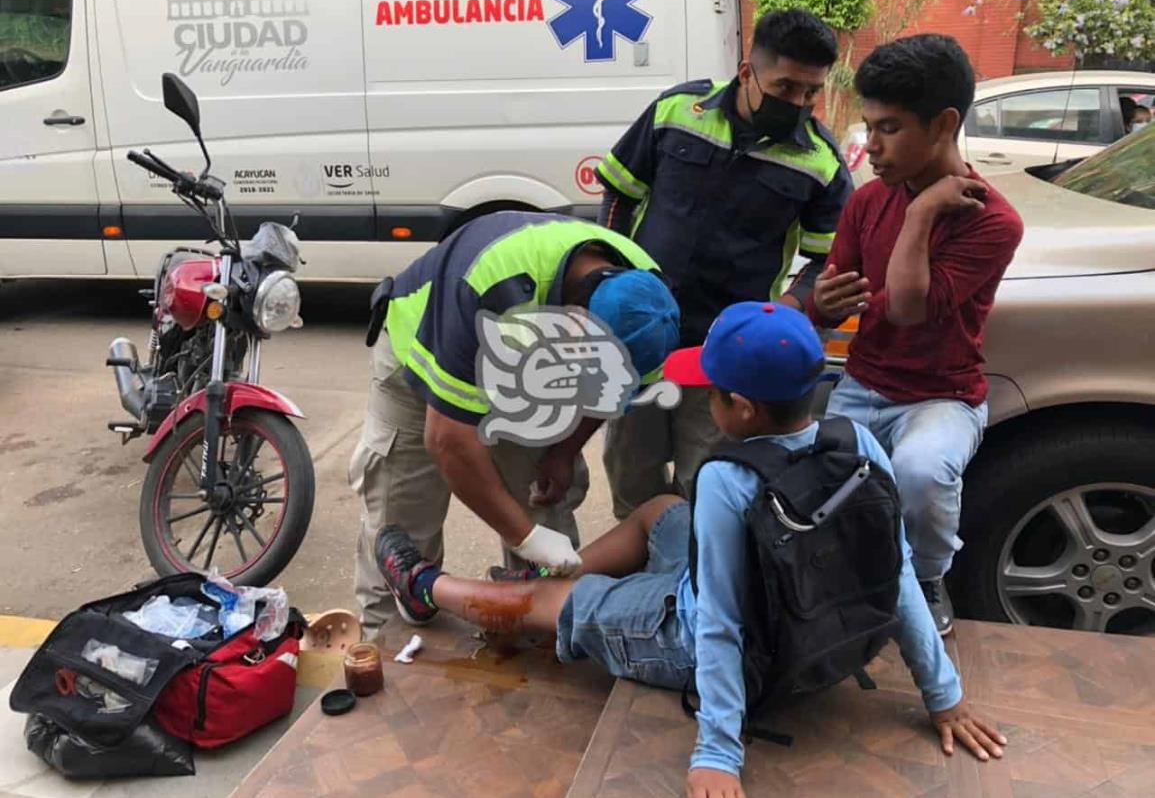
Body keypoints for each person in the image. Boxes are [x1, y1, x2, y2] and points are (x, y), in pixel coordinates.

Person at [374, 301, 1007, 798]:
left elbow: (721, 624)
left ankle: (429, 587)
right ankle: (550, 578)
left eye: (712, 391)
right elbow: (896, 576)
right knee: (659, 512)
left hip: (698, 635)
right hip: (813, 621)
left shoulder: (730, 481)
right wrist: (943, 694)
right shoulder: (859, 445)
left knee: (542, 600)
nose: (706, 399)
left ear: (742, 408)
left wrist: (719, 751)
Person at [349, 210, 680, 637]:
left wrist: (563, 452)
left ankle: (535, 637)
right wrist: (525, 537)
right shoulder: (491, 281)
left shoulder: (647, 305)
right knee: (401, 526)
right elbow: (448, 440)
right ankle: (391, 651)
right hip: (423, 360)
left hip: (530, 365)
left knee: (544, 511)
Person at [595, 9, 854, 521]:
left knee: (706, 481)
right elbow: (620, 193)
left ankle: (690, 589)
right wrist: (611, 279)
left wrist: (791, 304)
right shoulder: (677, 111)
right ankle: (639, 582)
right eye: (785, 87)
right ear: (745, 73)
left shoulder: (820, 161)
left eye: (810, 92)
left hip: (726, 351)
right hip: (642, 340)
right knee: (631, 472)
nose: (798, 104)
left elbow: (832, 257)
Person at [808, 34, 1024, 636]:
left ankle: (927, 578)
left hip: (941, 397)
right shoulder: (867, 201)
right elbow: (832, 301)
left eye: (890, 128)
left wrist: (924, 210)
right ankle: (837, 582)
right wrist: (821, 305)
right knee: (815, 476)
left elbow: (905, 308)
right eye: (868, 126)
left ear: (943, 124)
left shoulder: (994, 220)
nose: (870, 146)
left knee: (921, 474)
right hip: (863, 381)